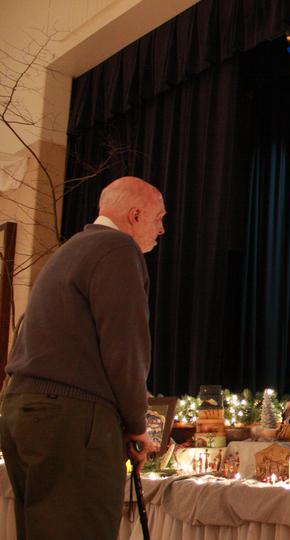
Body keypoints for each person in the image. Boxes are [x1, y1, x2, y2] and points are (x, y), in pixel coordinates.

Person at [0, 177, 163, 539]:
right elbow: (125, 345)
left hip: (22, 409)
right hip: (72, 418)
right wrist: (137, 424)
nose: (161, 229)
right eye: (158, 218)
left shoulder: (71, 248)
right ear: (135, 215)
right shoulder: (117, 248)